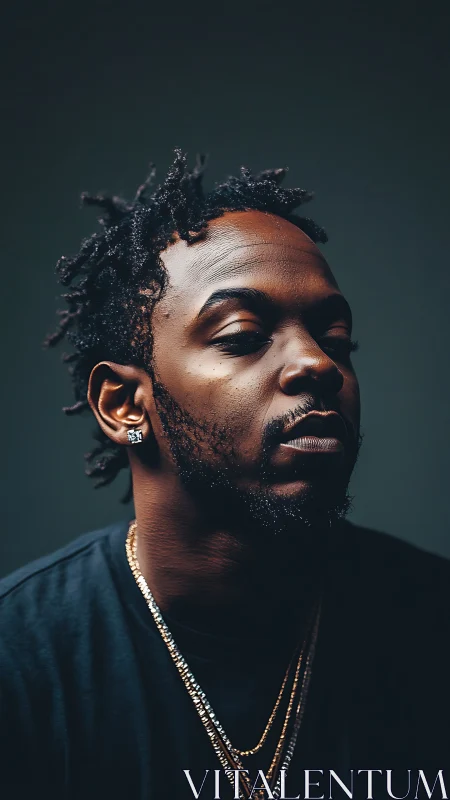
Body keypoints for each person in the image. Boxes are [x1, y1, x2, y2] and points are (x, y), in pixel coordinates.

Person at [1, 152, 449, 800]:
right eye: (242, 335)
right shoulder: (21, 661)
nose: (316, 364)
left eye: (336, 339)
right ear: (125, 407)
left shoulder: (433, 627)